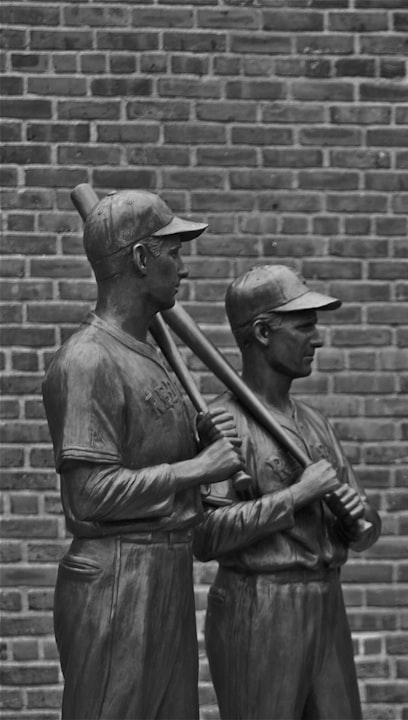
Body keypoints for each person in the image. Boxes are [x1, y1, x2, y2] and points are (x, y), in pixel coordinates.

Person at [42, 190, 244, 718]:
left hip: (164, 570)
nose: (181, 268)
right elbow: (87, 497)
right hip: (115, 579)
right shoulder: (87, 360)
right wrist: (199, 466)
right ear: (139, 258)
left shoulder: (150, 356)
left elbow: (155, 465)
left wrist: (199, 438)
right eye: (172, 252)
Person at [193, 264, 381, 720]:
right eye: (303, 326)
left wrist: (358, 522)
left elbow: (368, 528)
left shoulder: (315, 422)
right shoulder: (223, 424)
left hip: (325, 601)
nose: (317, 338)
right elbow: (206, 536)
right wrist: (297, 496)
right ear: (261, 331)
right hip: (259, 605)